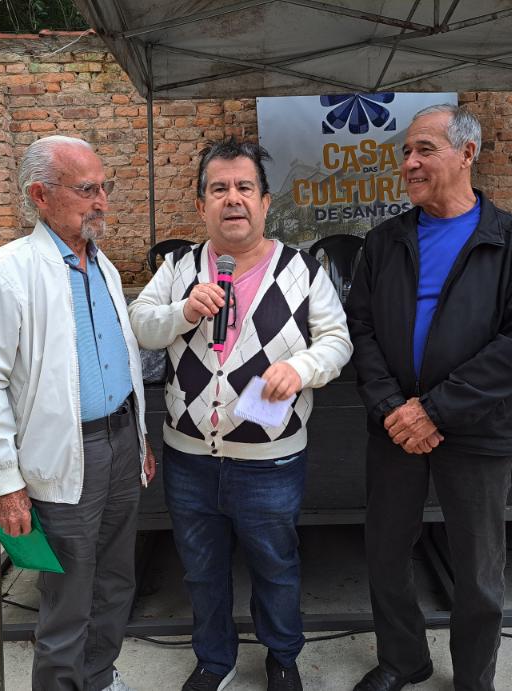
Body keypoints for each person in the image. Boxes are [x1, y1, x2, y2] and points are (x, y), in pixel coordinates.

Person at [128, 138, 352, 691]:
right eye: (219, 188)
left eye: (244, 187)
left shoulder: (302, 269)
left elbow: (337, 340)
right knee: (201, 569)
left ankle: (283, 657)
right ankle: (214, 660)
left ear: (265, 201)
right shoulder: (179, 268)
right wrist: (182, 312)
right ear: (202, 204)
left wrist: (302, 367)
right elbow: (140, 324)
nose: (233, 199)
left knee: (276, 566)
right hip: (188, 458)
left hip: (270, 460)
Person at [346, 105, 512, 691]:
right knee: (386, 553)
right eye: (406, 151)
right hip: (394, 427)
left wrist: (434, 410)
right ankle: (402, 660)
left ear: (467, 154)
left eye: (425, 150)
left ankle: (474, 679)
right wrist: (393, 407)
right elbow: (362, 330)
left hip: (478, 430)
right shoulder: (384, 242)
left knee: (478, 570)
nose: (409, 162)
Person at [0, 135, 156, 691]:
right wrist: (5, 481)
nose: (101, 202)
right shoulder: (4, 273)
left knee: (116, 581)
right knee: (69, 597)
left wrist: (138, 437)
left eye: (104, 188)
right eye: (87, 190)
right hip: (65, 452)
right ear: (40, 195)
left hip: (120, 444)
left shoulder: (102, 265)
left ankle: (100, 677)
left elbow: (118, 360)